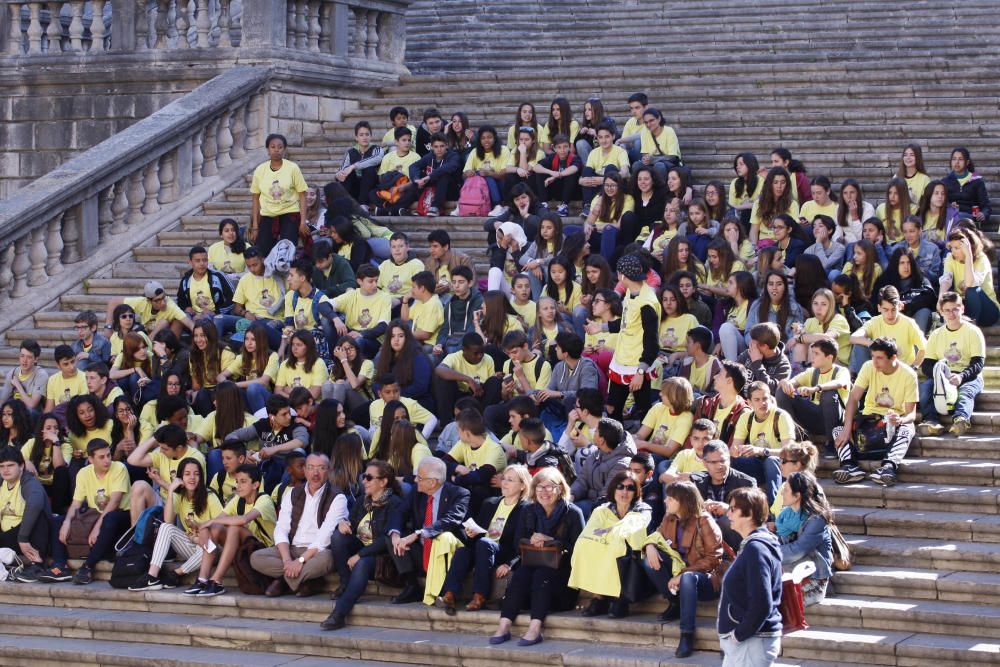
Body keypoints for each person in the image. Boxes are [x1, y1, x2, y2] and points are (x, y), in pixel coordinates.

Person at [490, 467, 585, 646]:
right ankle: (504, 625)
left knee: (543, 574)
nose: (544, 492)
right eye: (540, 487)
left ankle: (535, 629)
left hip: (561, 575)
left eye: (550, 487)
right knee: (522, 574)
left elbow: (580, 549)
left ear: (560, 489)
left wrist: (552, 541)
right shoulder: (529, 511)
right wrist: (531, 540)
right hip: (532, 569)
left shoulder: (573, 513)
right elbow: (518, 543)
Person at [642, 479, 725, 659]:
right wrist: (649, 545)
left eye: (670, 498)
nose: (666, 501)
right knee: (649, 561)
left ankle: (686, 635)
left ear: (683, 501)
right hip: (679, 572)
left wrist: (682, 574)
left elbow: (714, 558)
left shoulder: (704, 521)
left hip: (706, 580)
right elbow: (657, 534)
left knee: (688, 578)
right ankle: (676, 601)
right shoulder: (669, 517)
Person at [436, 463, 531, 615]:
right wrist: (471, 533)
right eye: (504, 479)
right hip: (483, 548)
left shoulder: (526, 509)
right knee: (463, 552)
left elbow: (523, 542)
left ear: (522, 486)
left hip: (503, 552)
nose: (504, 483)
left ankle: (480, 596)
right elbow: (478, 534)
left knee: (484, 543)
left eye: (510, 480)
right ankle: (450, 594)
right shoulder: (490, 503)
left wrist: (509, 564)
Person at [321, 459, 405, 630]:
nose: (364, 481)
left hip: (383, 557)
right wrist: (343, 524)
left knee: (362, 563)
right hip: (361, 548)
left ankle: (339, 614)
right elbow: (351, 523)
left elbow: (386, 540)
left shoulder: (395, 503)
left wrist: (360, 555)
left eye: (369, 477)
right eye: (363, 477)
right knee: (338, 537)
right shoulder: (362, 501)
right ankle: (346, 582)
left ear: (383, 482)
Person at [250, 452, 347, 597]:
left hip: (317, 553)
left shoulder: (337, 497)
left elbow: (323, 538)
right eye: (311, 467)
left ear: (329, 471)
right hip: (292, 548)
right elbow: (281, 528)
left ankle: (283, 581)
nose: (315, 473)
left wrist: (301, 561)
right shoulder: (293, 493)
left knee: (328, 559)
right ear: (305, 470)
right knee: (256, 558)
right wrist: (288, 560)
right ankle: (309, 581)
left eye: (321, 468)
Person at [41, 439, 131, 585]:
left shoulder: (119, 468)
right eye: (101, 457)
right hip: (94, 515)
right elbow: (76, 503)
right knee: (58, 520)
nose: (107, 460)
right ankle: (60, 566)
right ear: (90, 459)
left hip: (121, 515)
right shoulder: (83, 473)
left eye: (108, 455)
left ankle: (87, 567)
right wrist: (67, 522)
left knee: (110, 518)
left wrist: (97, 528)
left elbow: (114, 502)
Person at [128, 456, 225, 591]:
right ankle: (152, 576)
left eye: (196, 474)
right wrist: (171, 491)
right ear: (180, 478)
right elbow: (168, 521)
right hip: (191, 545)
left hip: (210, 549)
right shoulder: (179, 496)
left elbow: (221, 525)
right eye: (187, 474)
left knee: (208, 547)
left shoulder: (209, 496)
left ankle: (177, 573)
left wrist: (197, 539)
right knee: (165, 527)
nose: (192, 478)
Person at [833, 337, 918, 487]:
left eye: (879, 358)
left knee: (908, 428)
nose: (874, 361)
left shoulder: (909, 374)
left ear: (893, 357)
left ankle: (888, 467)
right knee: (838, 430)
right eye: (872, 356)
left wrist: (900, 420)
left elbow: (911, 414)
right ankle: (849, 466)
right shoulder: (868, 367)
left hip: (892, 424)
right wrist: (846, 429)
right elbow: (853, 398)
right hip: (869, 421)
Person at [387, 456, 471, 604]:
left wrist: (419, 533)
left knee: (443, 536)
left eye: (419, 477)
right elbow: (400, 511)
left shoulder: (459, 494)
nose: (414, 480)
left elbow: (450, 520)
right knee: (391, 536)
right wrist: (395, 533)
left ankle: (443, 591)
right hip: (422, 549)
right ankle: (412, 585)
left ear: (432, 482)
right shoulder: (416, 492)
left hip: (446, 552)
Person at [572, 469, 651, 619]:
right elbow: (589, 533)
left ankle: (621, 599)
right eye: (620, 487)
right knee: (586, 544)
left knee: (617, 547)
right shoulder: (602, 509)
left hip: (634, 556)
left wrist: (607, 532)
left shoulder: (643, 509)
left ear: (636, 492)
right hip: (605, 549)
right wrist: (611, 533)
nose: (624, 491)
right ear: (613, 489)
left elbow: (630, 532)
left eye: (630, 488)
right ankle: (599, 597)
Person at [718, 487, 783, 667]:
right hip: (750, 641)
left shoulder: (756, 549)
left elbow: (762, 602)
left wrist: (738, 636)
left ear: (749, 514)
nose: (728, 513)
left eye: (733, 509)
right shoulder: (754, 545)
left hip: (752, 642)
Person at [918, 292, 984, 437]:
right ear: (941, 312)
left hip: (969, 376)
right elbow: (927, 364)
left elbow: (978, 363)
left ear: (962, 309)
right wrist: (941, 376)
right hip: (943, 375)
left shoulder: (973, 332)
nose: (951, 313)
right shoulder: (936, 334)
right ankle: (931, 421)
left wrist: (961, 377)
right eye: (947, 310)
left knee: (965, 393)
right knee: (926, 388)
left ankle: (961, 420)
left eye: (955, 309)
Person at [604, 254, 660, 422]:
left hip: (638, 364)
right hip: (622, 359)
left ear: (622, 275)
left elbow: (652, 343)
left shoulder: (647, 304)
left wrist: (640, 372)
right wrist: (600, 327)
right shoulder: (631, 291)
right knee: (612, 407)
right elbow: (627, 323)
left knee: (644, 411)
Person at [126, 423, 207, 524]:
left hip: (183, 507)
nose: (161, 451)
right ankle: (137, 534)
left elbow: (187, 495)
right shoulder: (163, 454)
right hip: (163, 502)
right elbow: (132, 460)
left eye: (164, 448)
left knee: (174, 500)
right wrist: (155, 437)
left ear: (179, 448)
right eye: (160, 447)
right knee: (139, 486)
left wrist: (160, 481)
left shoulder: (195, 458)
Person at [729, 382, 793, 506]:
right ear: (749, 403)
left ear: (770, 398)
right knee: (730, 462)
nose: (762, 403)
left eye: (765, 398)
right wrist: (737, 451)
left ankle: (774, 508)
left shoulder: (781, 416)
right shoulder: (746, 418)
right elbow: (735, 447)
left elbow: (789, 451)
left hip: (782, 465)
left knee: (771, 461)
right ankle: (735, 504)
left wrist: (761, 451)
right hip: (757, 463)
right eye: (757, 400)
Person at [774, 471, 833, 606]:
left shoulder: (816, 520)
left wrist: (769, 554)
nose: (782, 493)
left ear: (797, 496)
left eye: (786, 490)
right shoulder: (785, 516)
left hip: (812, 579)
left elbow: (797, 550)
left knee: (770, 601)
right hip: (788, 571)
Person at [778, 339, 850, 449]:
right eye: (812, 353)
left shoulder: (842, 371)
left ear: (829, 357)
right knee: (782, 392)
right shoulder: (812, 372)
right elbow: (792, 382)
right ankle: (796, 436)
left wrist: (815, 389)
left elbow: (840, 383)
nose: (812, 357)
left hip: (835, 420)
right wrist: (785, 383)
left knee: (828, 394)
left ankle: (831, 443)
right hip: (815, 418)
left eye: (816, 354)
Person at [690, 441, 756, 551]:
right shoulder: (696, 482)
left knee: (726, 520)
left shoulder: (746, 483)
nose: (719, 466)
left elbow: (757, 516)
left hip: (736, 542)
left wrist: (729, 510)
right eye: (713, 462)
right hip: (704, 539)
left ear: (729, 460)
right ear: (705, 463)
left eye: (722, 461)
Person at [249, 133, 308, 257]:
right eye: (273, 147)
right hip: (267, 214)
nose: (276, 150)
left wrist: (303, 222)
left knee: (287, 251)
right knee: (261, 252)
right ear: (267, 149)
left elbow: (302, 194)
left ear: (284, 149)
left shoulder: (292, 168)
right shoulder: (260, 170)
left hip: (290, 212)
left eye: (280, 147)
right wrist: (255, 226)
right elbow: (255, 198)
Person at [0, 445, 52, 582]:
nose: (5, 470)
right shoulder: (2, 483)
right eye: (2, 466)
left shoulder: (28, 482)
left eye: (10, 465)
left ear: (22, 466)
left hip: (28, 537)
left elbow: (35, 504)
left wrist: (22, 538)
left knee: (39, 515)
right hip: (7, 537)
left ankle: (38, 565)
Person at [848, 285, 926, 375]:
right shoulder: (875, 322)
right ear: (879, 308)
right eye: (886, 309)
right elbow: (853, 337)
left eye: (893, 310)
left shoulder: (909, 324)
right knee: (859, 345)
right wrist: (875, 345)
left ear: (900, 306)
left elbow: (923, 348)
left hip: (901, 373)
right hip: (880, 372)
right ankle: (862, 382)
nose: (890, 314)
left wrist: (913, 367)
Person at [442, 409, 508, 515]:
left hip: (491, 492)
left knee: (476, 488)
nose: (457, 433)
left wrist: (455, 478)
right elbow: (442, 463)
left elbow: (481, 476)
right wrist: (457, 468)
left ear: (467, 433)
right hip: (471, 488)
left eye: (458, 430)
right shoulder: (463, 443)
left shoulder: (493, 448)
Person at [570, 417, 636, 519]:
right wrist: (571, 495)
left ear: (601, 440)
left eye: (596, 430)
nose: (593, 432)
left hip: (603, 507)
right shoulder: (596, 453)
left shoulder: (622, 464)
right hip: (588, 499)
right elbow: (582, 480)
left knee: (572, 512)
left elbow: (607, 495)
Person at [940, 228, 999, 327]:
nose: (953, 251)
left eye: (957, 248)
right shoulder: (950, 257)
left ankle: (969, 326)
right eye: (951, 247)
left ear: (969, 247)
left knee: (971, 290)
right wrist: (940, 299)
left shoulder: (982, 259)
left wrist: (968, 256)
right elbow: (946, 280)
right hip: (964, 306)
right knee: (946, 297)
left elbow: (970, 283)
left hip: (987, 310)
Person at [434, 266, 484, 356]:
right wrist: (439, 344)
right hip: (449, 343)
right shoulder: (450, 303)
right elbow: (445, 327)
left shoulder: (478, 301)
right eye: (453, 282)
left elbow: (472, 329)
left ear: (470, 283)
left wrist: (456, 349)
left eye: (461, 282)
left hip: (467, 346)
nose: (456, 286)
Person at [176, 246, 235, 321]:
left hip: (216, 317)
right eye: (198, 261)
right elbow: (180, 300)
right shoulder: (186, 280)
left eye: (205, 260)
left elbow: (233, 298)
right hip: (193, 317)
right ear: (190, 262)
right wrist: (185, 308)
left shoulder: (218, 276)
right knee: (178, 320)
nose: (202, 263)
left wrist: (216, 312)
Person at [335, 121, 384, 204]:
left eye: (367, 134)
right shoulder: (350, 152)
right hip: (355, 187)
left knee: (369, 169)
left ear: (371, 136)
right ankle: (345, 204)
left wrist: (354, 166)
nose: (364, 137)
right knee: (347, 173)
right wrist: (339, 174)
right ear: (356, 138)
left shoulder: (377, 149)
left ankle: (363, 205)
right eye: (361, 135)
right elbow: (343, 169)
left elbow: (377, 159)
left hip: (371, 186)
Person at [942, 147, 991, 224]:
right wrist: (949, 206)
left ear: (967, 162)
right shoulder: (945, 182)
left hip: (969, 218)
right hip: (950, 218)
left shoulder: (977, 181)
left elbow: (986, 206)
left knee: (960, 217)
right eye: (954, 159)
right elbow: (941, 203)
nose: (957, 162)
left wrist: (983, 214)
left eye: (960, 159)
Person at [0, 340, 48, 414]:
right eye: (22, 356)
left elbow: (32, 405)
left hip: (32, 414)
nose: (24, 360)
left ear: (35, 359)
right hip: (14, 412)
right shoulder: (12, 373)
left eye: (29, 357)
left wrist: (18, 386)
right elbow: (2, 402)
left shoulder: (41, 375)